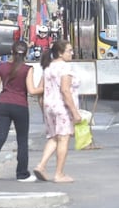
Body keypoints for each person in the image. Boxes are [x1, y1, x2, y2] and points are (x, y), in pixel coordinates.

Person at [0, 41, 44, 183]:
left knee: (0, 138)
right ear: (26, 53)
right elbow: (31, 90)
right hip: (20, 106)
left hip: (3, 105)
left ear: (11, 51)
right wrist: (45, 87)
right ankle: (22, 174)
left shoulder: (2, 67)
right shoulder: (27, 69)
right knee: (22, 140)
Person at [32, 40, 82, 183]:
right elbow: (65, 91)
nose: (71, 53)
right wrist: (75, 112)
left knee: (54, 137)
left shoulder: (48, 68)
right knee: (63, 138)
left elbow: (43, 90)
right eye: (69, 51)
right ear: (60, 53)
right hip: (62, 108)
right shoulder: (65, 69)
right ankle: (59, 173)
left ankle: (41, 165)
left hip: (49, 106)